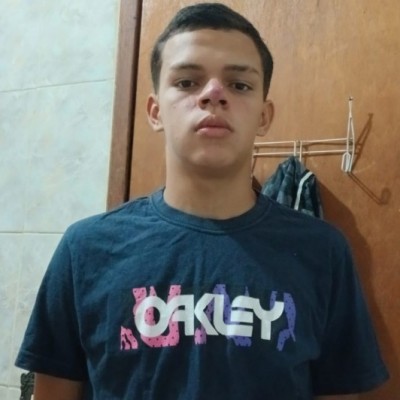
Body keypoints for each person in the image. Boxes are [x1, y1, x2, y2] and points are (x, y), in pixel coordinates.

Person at [16, 3, 389, 399]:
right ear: (155, 111)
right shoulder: (85, 250)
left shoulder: (322, 252)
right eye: (187, 82)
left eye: (239, 85)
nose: (213, 94)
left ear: (264, 117)